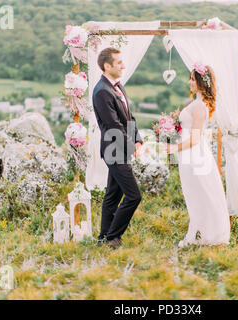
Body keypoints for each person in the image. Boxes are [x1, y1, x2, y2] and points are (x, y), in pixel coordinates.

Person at [166, 63, 231, 247]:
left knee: (200, 194)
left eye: (193, 79)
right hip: (190, 156)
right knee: (195, 195)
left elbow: (195, 139)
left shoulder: (200, 107)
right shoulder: (196, 104)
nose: (190, 82)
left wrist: (173, 148)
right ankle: (200, 232)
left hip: (195, 156)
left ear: (202, 83)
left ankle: (205, 235)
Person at [92, 47, 143, 249]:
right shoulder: (102, 91)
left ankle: (104, 237)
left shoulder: (117, 86)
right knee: (133, 196)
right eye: (119, 62)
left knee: (113, 196)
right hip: (114, 150)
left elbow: (129, 117)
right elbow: (114, 126)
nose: (123, 65)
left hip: (121, 148)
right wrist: (133, 148)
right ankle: (113, 236)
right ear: (107, 65)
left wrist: (137, 139)